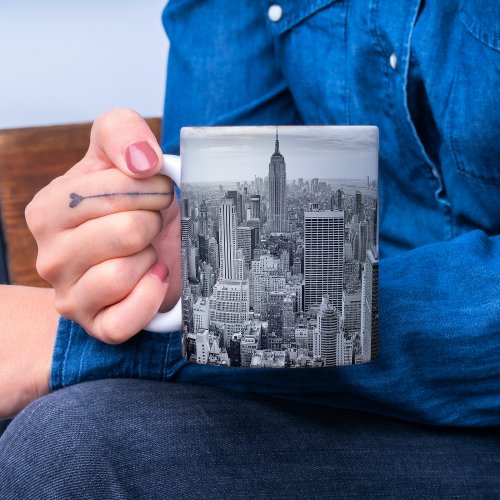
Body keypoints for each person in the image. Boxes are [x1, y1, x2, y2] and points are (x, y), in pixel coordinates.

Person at [1, 0, 499, 497]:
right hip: (330, 381)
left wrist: (72, 343)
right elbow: (213, 182)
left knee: (68, 446)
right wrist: (156, 268)